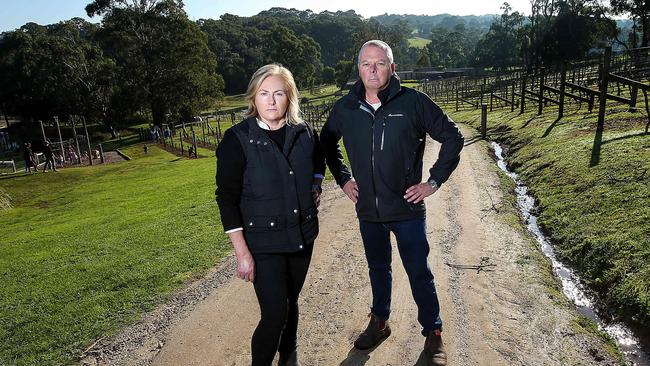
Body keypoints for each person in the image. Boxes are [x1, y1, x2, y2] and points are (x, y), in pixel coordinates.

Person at [320, 40, 464, 366]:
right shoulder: (345, 108)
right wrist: (343, 178)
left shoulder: (413, 102)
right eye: (366, 63)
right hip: (368, 211)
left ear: (392, 68)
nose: (372, 69)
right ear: (358, 68)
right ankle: (379, 321)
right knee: (377, 269)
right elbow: (326, 143)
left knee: (418, 272)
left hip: (407, 210)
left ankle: (433, 335)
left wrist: (433, 181)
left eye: (380, 63)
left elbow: (453, 137)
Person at [215, 63, 325, 366]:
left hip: (302, 235)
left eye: (279, 93)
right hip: (263, 243)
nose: (272, 101)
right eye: (264, 93)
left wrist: (316, 184)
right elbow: (226, 199)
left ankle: (289, 356)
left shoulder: (304, 132)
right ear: (254, 97)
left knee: (291, 302)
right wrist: (242, 254)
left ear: (290, 98)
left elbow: (319, 162)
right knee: (275, 312)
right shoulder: (236, 140)